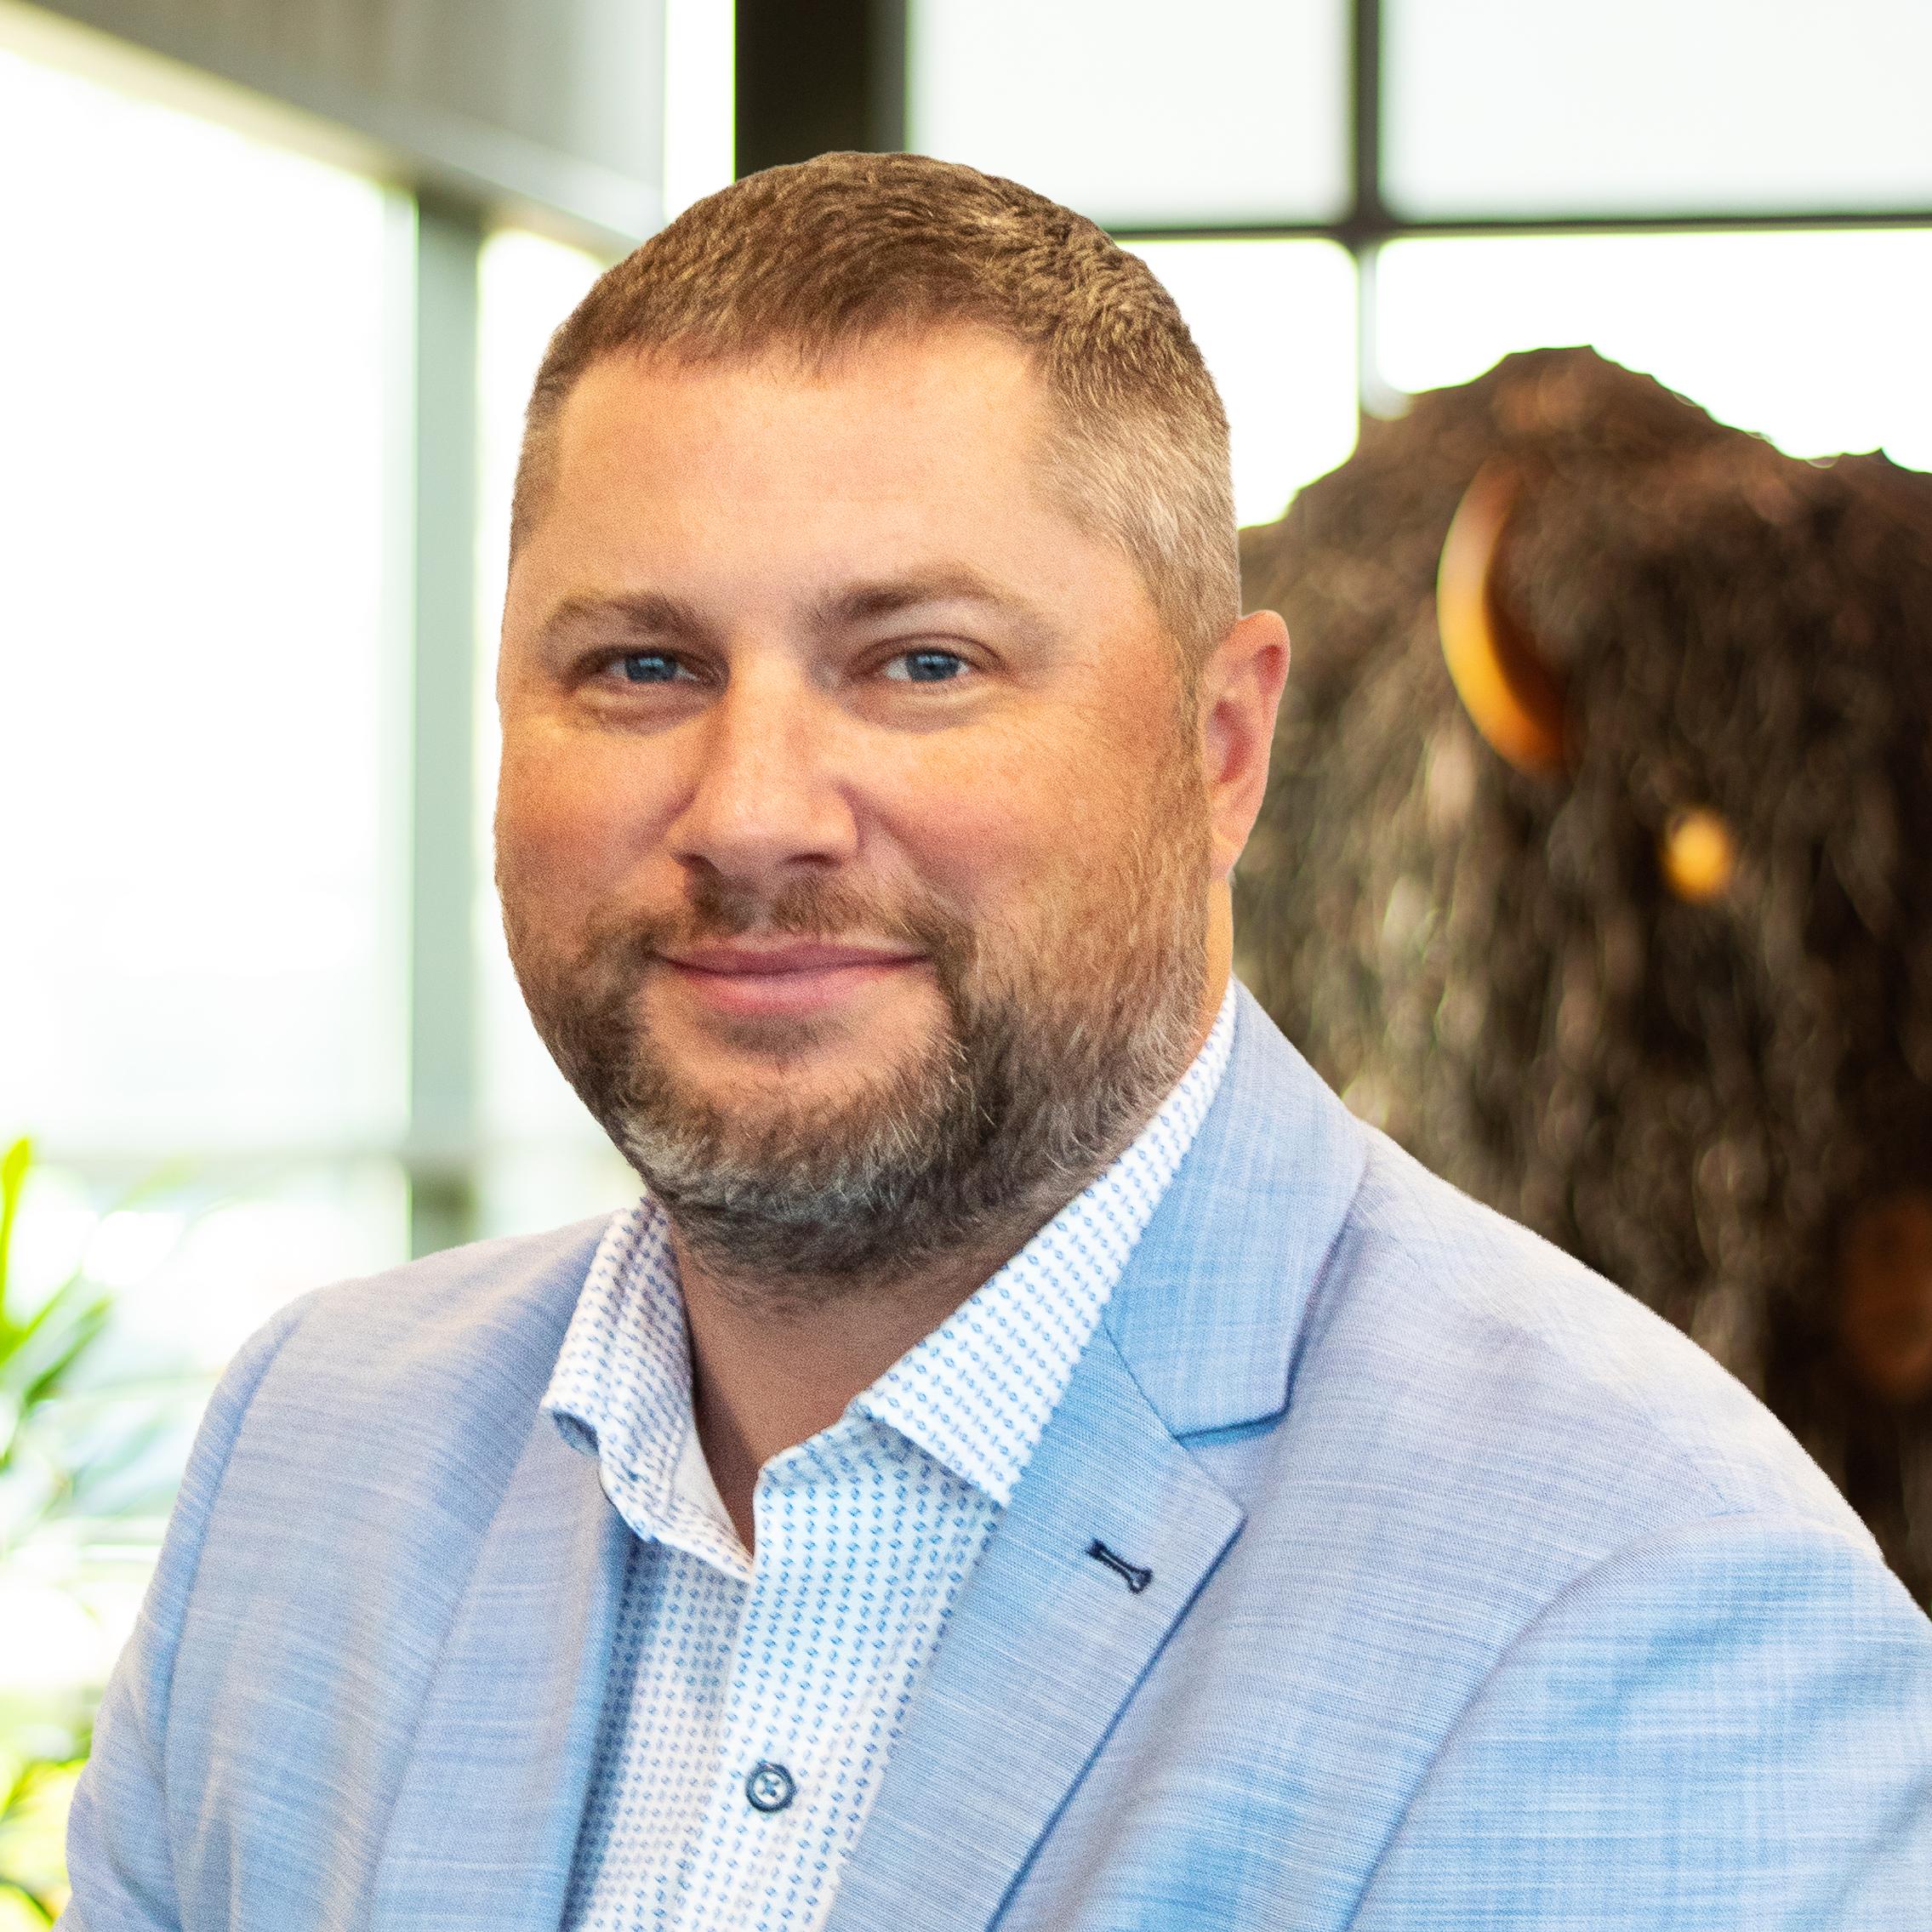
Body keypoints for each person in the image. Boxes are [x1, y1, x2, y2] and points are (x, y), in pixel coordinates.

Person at [61, 153, 1932, 1932]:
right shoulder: (309, 1451)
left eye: (920, 662)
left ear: (1217, 750)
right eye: (639, 663)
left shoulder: (1654, 1607)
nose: (755, 810)